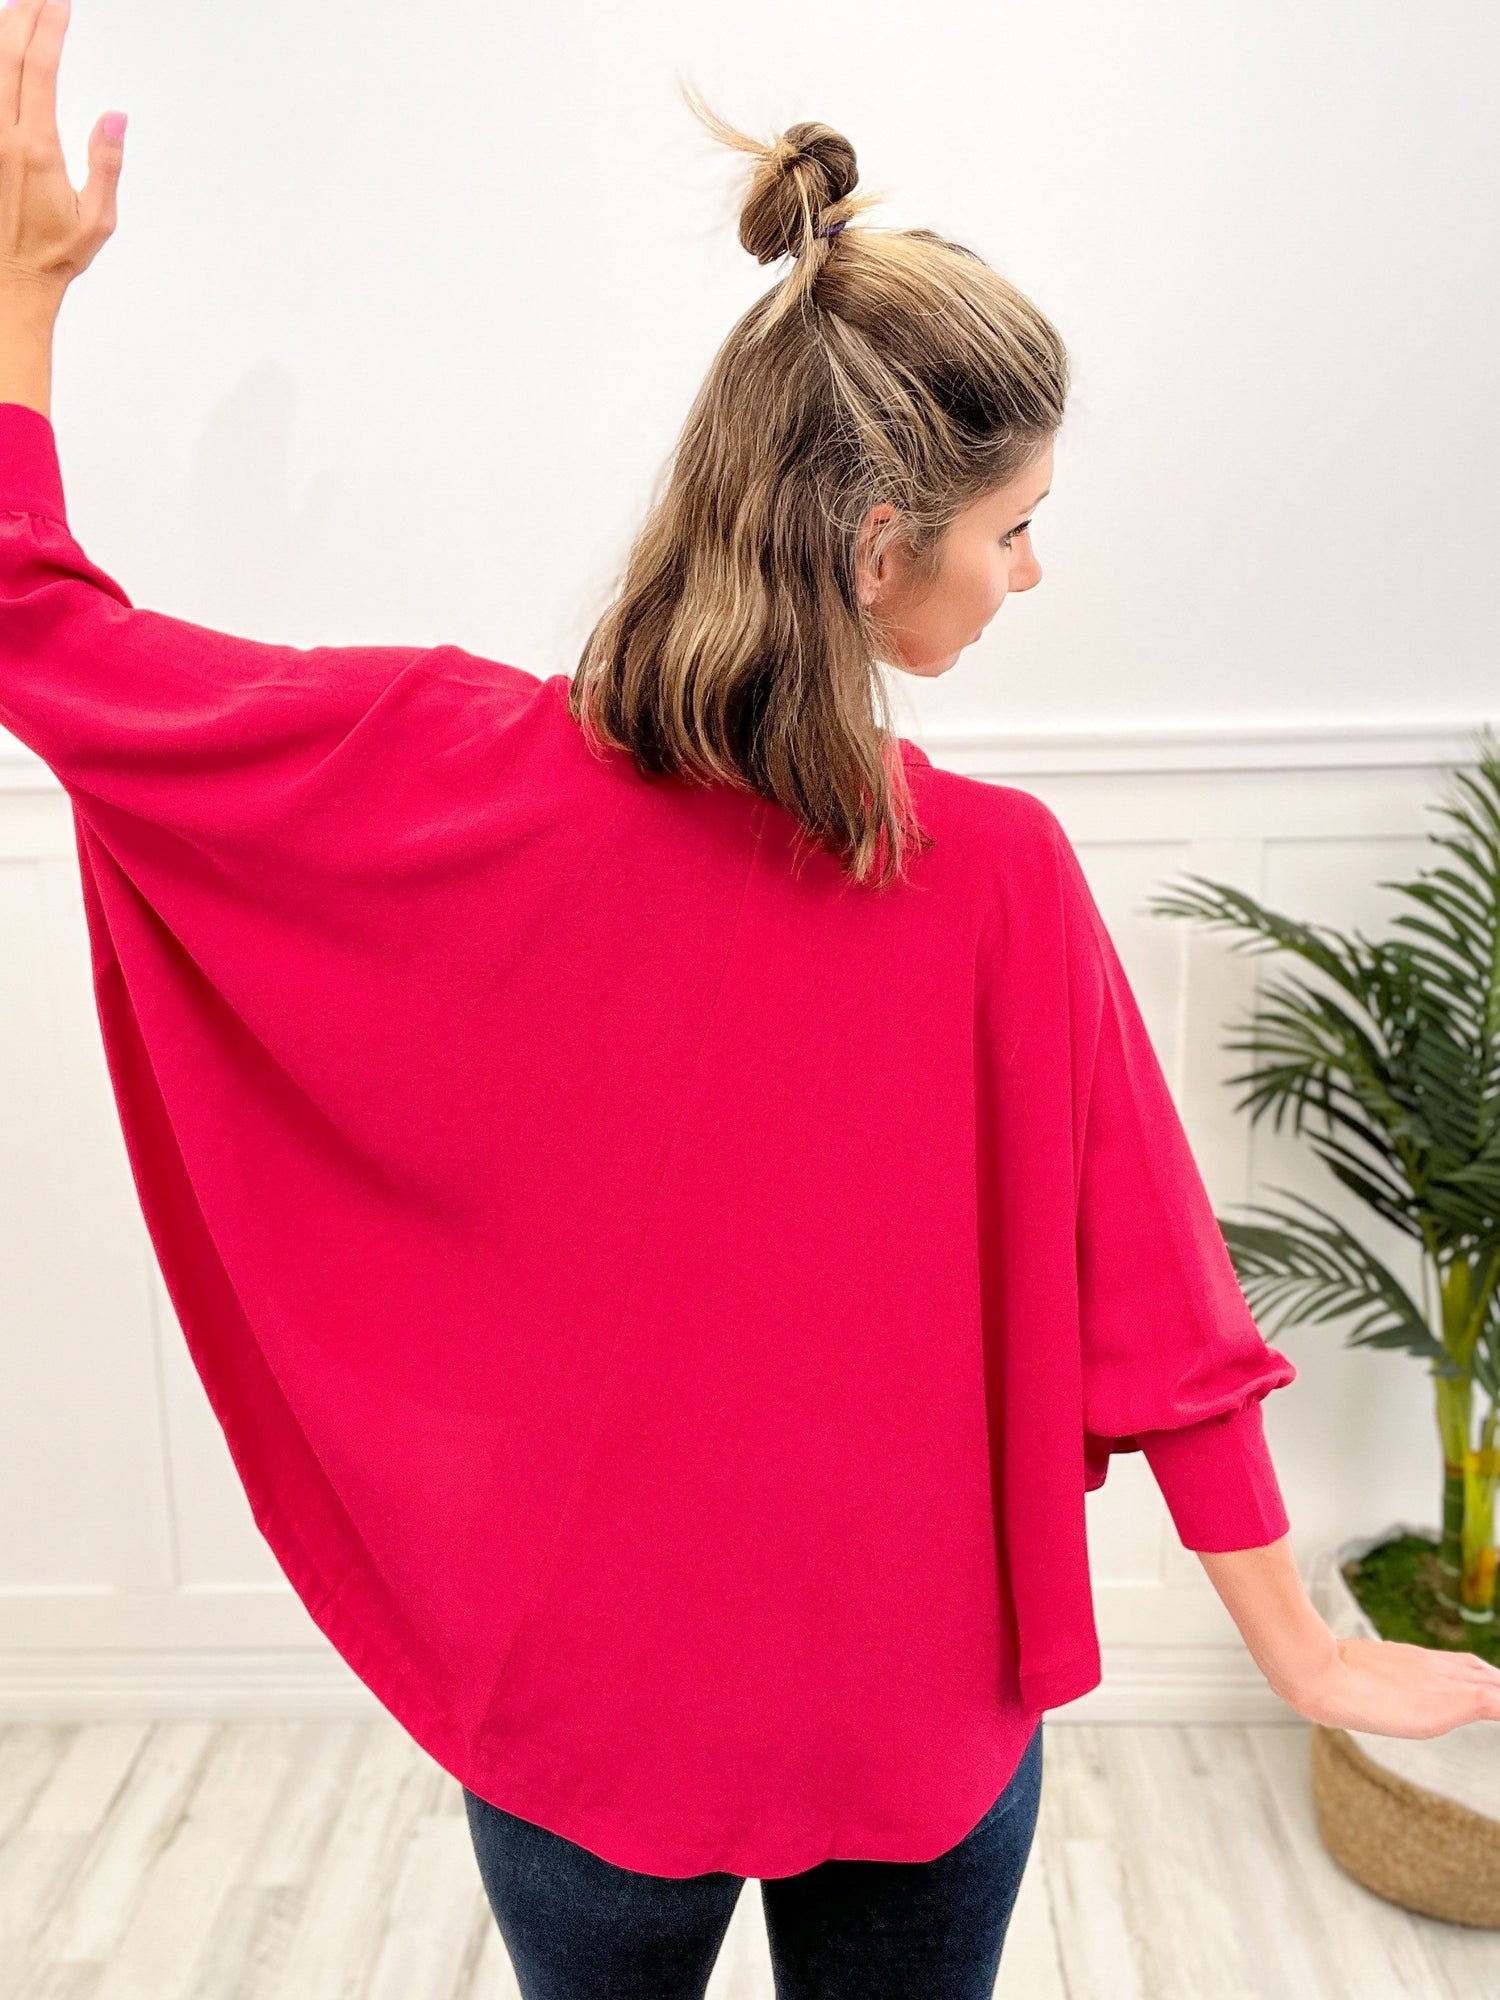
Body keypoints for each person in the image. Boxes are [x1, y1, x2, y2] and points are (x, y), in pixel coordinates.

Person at [4, 11, 1499, 1997]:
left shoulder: (441, 764)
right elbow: (1159, 1321)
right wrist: (1301, 1652)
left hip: (584, 1727)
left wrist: (24, 299)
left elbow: (36, 629)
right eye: (1015, 526)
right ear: (882, 548)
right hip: (915, 1731)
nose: (1030, 573)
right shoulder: (996, 879)